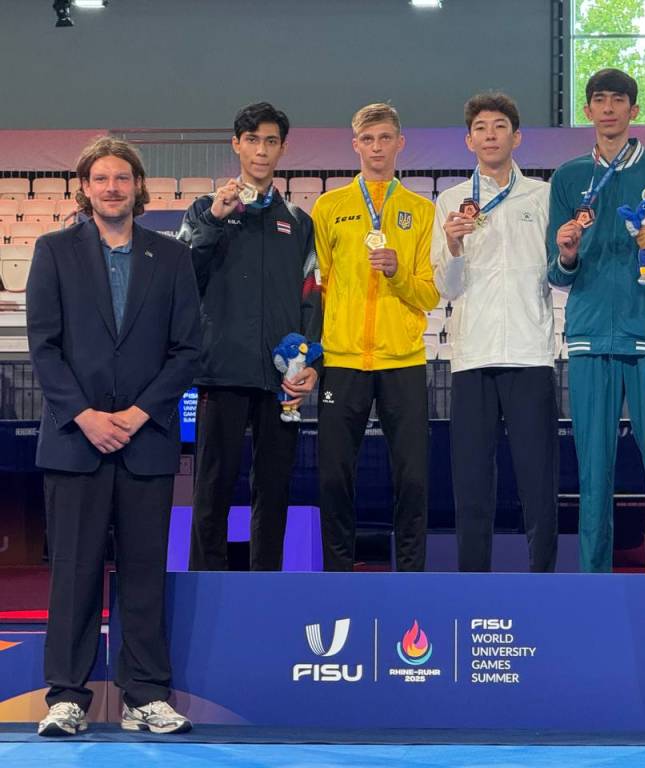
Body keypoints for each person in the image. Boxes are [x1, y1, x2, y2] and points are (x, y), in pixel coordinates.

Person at [26, 137, 200, 736]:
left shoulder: (172, 257)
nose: (112, 187)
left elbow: (187, 351)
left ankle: (144, 696)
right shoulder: (53, 252)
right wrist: (85, 416)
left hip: (145, 441)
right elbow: (44, 346)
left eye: (122, 177)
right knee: (74, 573)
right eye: (100, 178)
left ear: (138, 186)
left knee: (144, 574)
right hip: (75, 442)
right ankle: (66, 698)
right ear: (85, 188)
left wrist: (138, 413)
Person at [547, 68, 645, 574]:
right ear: (587, 110)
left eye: (618, 100)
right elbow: (556, 270)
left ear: (634, 110)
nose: (609, 108)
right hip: (589, 335)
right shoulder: (568, 176)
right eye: (599, 100)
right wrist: (567, 253)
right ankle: (594, 585)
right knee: (593, 472)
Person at [178, 102, 321, 572]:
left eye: (271, 141)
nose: (262, 150)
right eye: (253, 140)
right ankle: (206, 585)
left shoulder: (298, 221)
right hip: (221, 371)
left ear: (282, 148)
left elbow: (311, 298)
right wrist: (214, 221)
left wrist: (309, 363)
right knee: (212, 488)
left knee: (274, 489)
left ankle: (267, 588)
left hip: (282, 380)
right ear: (236, 144)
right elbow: (182, 281)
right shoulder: (205, 210)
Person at [432, 92, 558, 572]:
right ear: (469, 140)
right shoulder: (450, 201)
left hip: (530, 353)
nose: (490, 135)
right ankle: (471, 583)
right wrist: (452, 245)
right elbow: (446, 286)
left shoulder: (542, 196)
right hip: (472, 356)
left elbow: (559, 272)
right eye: (481, 128)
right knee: (471, 482)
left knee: (538, 480)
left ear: (516, 137)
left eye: (500, 126)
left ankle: (543, 580)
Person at [311, 103, 439, 571]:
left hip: (402, 359)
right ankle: (337, 575)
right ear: (356, 146)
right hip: (343, 359)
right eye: (368, 139)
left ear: (400, 143)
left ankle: (411, 576)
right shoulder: (329, 207)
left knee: (412, 479)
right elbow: (318, 287)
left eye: (385, 138)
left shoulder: (421, 211)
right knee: (333, 477)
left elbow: (429, 294)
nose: (377, 147)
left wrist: (398, 272)